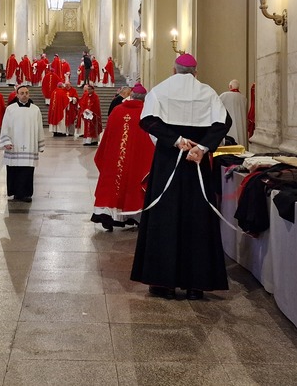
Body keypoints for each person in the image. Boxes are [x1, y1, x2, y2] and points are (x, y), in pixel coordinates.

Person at [130, 53, 231, 301]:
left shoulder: (160, 90)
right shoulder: (207, 92)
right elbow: (223, 122)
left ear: (173, 70)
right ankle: (196, 285)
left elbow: (148, 121)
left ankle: (162, 283)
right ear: (196, 72)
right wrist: (202, 147)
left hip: (168, 161)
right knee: (197, 219)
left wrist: (175, 140)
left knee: (165, 217)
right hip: (196, 162)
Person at [91, 83, 153, 231]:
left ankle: (107, 215)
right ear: (144, 99)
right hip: (136, 159)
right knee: (133, 185)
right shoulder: (146, 113)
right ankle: (134, 216)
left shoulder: (117, 110)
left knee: (111, 185)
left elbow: (107, 136)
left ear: (131, 96)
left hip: (114, 157)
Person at [0, 85, 45, 203]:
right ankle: (15, 192)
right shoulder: (11, 109)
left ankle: (26, 194)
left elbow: (40, 127)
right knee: (14, 169)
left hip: (30, 144)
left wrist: (40, 144)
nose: (24, 95)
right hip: (14, 144)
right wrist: (6, 141)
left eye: (26, 93)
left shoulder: (35, 109)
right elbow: (5, 126)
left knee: (27, 170)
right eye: (22, 93)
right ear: (17, 95)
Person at [218, 79, 249, 146]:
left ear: (230, 86)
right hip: (241, 126)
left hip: (230, 126)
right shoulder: (244, 98)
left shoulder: (224, 95)